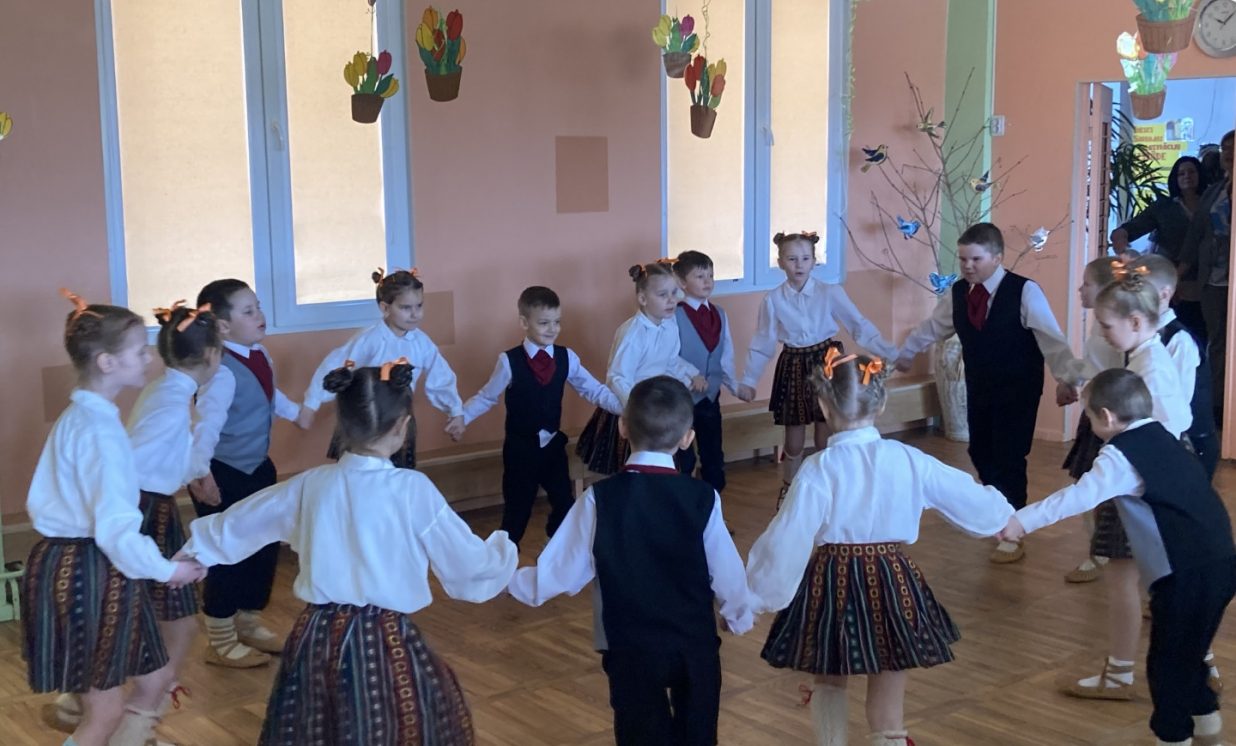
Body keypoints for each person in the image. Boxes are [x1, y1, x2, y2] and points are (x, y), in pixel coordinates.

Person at [179, 361, 517, 746]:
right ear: (403, 426)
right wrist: (502, 559)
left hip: (317, 637)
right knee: (393, 728)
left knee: (314, 728)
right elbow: (467, 562)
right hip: (386, 638)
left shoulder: (312, 484)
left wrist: (192, 556)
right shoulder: (412, 489)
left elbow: (241, 523)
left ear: (342, 424)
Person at [746, 348, 1013, 746]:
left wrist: (753, 596)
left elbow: (789, 535)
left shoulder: (819, 468)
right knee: (890, 668)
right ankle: (889, 739)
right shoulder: (907, 458)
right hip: (891, 577)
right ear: (882, 403)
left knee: (830, 669)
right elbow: (960, 492)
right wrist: (1000, 517)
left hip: (832, 578)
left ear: (823, 407)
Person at [511, 376, 752, 746]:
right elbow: (726, 572)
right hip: (694, 645)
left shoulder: (599, 499)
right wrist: (738, 615)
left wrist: (505, 579)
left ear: (622, 426)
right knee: (698, 736)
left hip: (630, 647)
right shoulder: (703, 497)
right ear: (687, 437)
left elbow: (559, 573)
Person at [1001, 369, 1235, 746]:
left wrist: (1020, 522)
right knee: (1188, 657)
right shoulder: (1162, 434)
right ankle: (1209, 732)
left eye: (1088, 416)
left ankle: (1174, 736)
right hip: (1221, 563)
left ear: (1107, 417)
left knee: (1167, 668)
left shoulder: (1120, 456)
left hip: (1186, 575)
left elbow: (1076, 498)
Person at [25, 290, 205, 746]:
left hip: (81, 567)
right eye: (140, 351)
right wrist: (170, 571)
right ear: (107, 362)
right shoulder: (100, 430)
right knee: (102, 715)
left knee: (143, 681)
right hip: (85, 572)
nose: (149, 358)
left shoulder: (84, 415)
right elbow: (115, 530)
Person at [896, 222, 1083, 563]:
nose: (967, 266)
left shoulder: (1025, 291)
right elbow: (934, 328)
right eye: (963, 259)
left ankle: (1013, 528)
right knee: (981, 451)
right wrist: (907, 352)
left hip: (1019, 388)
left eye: (976, 259)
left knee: (1010, 455)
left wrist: (1066, 378)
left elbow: (1051, 339)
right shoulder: (958, 293)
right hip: (980, 386)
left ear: (997, 258)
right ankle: (998, 513)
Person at [1060, 269, 1191, 702]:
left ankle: (1123, 674)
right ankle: (1190, 663)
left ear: (1135, 322)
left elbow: (1175, 423)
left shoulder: (1152, 366)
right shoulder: (1141, 358)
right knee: (1148, 577)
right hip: (1143, 479)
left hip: (1144, 483)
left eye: (1106, 326)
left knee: (1129, 578)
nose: (1103, 333)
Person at [190, 279, 309, 668]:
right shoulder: (220, 371)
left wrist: (298, 414)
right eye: (249, 311)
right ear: (222, 326)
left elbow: (269, 395)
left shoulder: (259, 354)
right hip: (223, 472)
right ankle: (220, 639)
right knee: (227, 552)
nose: (260, 315)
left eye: (258, 307)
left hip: (257, 466)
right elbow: (204, 426)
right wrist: (201, 473)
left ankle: (248, 620)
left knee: (262, 546)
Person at [736, 231, 898, 509]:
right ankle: (791, 488)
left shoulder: (830, 291)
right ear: (780, 262)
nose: (798, 264)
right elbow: (763, 342)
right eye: (791, 259)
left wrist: (888, 351)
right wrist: (749, 379)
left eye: (805, 258)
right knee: (794, 435)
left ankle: (828, 486)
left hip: (826, 361)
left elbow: (857, 324)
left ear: (814, 261)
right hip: (793, 363)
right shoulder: (773, 299)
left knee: (827, 430)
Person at [460, 286, 621, 549]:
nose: (552, 329)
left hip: (552, 447)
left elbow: (593, 390)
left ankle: (553, 547)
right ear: (524, 323)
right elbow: (487, 397)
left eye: (557, 322)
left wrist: (625, 407)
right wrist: (462, 417)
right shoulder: (509, 361)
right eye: (544, 323)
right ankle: (501, 562)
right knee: (517, 513)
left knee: (565, 503)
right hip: (520, 450)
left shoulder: (566, 357)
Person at [301, 268, 466, 464]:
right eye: (405, 308)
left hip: (398, 421)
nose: (415, 314)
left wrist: (455, 412)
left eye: (419, 306)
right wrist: (311, 403)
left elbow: (441, 377)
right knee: (359, 470)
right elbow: (337, 365)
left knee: (397, 471)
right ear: (385, 308)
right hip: (365, 419)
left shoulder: (422, 343)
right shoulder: (369, 339)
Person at [576, 262, 704, 475]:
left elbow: (671, 361)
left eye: (674, 293)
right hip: (633, 407)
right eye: (663, 294)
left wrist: (692, 373)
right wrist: (635, 408)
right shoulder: (633, 334)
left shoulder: (670, 324)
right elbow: (617, 377)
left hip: (657, 405)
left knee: (665, 465)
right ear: (643, 299)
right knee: (634, 470)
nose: (671, 300)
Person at [1059, 257, 1125, 584]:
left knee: (1100, 486)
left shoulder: (1116, 329)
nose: (1080, 289)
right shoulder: (1098, 327)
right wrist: (1069, 380)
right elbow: (1090, 363)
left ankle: (1105, 553)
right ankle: (1098, 551)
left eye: (1087, 283)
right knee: (1088, 483)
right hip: (1095, 413)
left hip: (1110, 416)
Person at [1110, 155, 1211, 339]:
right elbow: (1132, 228)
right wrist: (1121, 237)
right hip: (1172, 285)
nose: (1186, 176)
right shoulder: (1164, 207)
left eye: (1191, 172)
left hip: (1208, 283)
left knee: (1206, 338)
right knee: (1174, 336)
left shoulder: (1212, 204)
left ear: (1200, 174)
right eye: (1181, 173)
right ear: (1174, 178)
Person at [1178, 130, 1234, 422]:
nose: (1229, 153)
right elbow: (1196, 234)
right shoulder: (1215, 191)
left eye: (1234, 147)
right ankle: (1217, 406)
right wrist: (1179, 273)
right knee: (1217, 342)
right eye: (1225, 148)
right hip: (1213, 279)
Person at [672, 250, 739, 493]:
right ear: (682, 282)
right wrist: (689, 377)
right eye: (700, 276)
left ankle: (714, 506)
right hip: (682, 399)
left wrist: (735, 386)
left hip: (710, 397)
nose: (707, 281)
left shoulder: (719, 313)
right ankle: (684, 505)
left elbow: (726, 353)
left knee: (713, 455)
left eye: (710, 275)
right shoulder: (674, 315)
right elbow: (669, 356)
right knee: (683, 458)